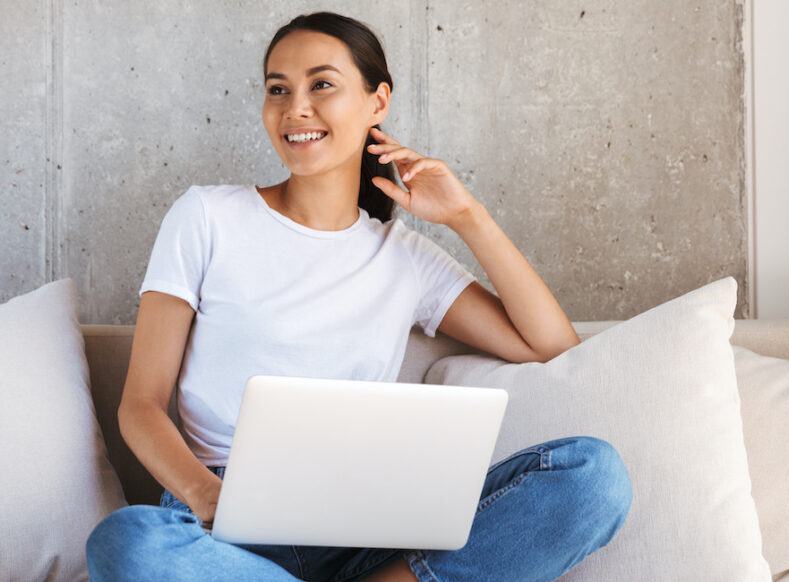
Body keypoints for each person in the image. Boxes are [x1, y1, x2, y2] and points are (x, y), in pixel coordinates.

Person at [86, 11, 631, 582]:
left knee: (593, 476)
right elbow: (140, 405)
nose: (296, 106)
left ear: (378, 102)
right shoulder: (206, 215)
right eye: (279, 89)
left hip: (366, 521)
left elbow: (552, 346)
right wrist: (210, 497)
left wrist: (469, 218)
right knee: (127, 542)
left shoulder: (407, 257)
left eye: (321, 84)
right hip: (222, 522)